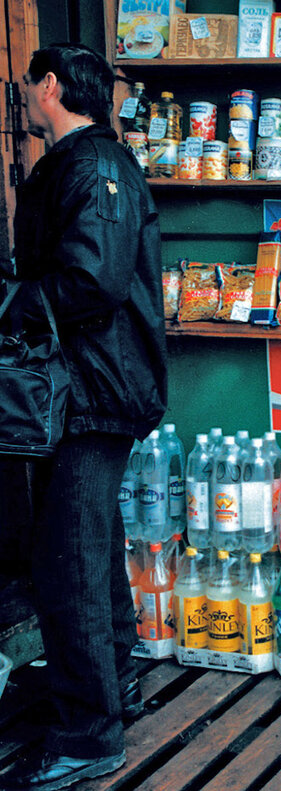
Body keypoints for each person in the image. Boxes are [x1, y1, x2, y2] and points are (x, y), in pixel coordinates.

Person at [0, 44, 167, 790]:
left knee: (67, 561)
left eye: (29, 86)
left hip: (92, 390)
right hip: (88, 388)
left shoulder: (95, 168)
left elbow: (90, 280)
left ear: (52, 86)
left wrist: (13, 306)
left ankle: (90, 732)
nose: (24, 99)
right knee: (91, 548)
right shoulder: (80, 164)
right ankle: (115, 689)